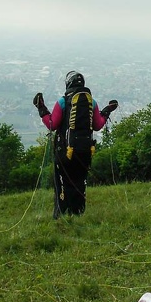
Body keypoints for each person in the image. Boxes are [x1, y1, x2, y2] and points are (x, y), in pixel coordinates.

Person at [33, 71, 118, 218]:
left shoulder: (63, 101)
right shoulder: (93, 102)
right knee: (80, 182)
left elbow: (52, 124)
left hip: (65, 152)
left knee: (63, 184)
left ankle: (61, 215)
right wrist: (105, 112)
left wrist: (42, 109)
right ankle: (78, 213)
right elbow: (98, 125)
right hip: (85, 151)